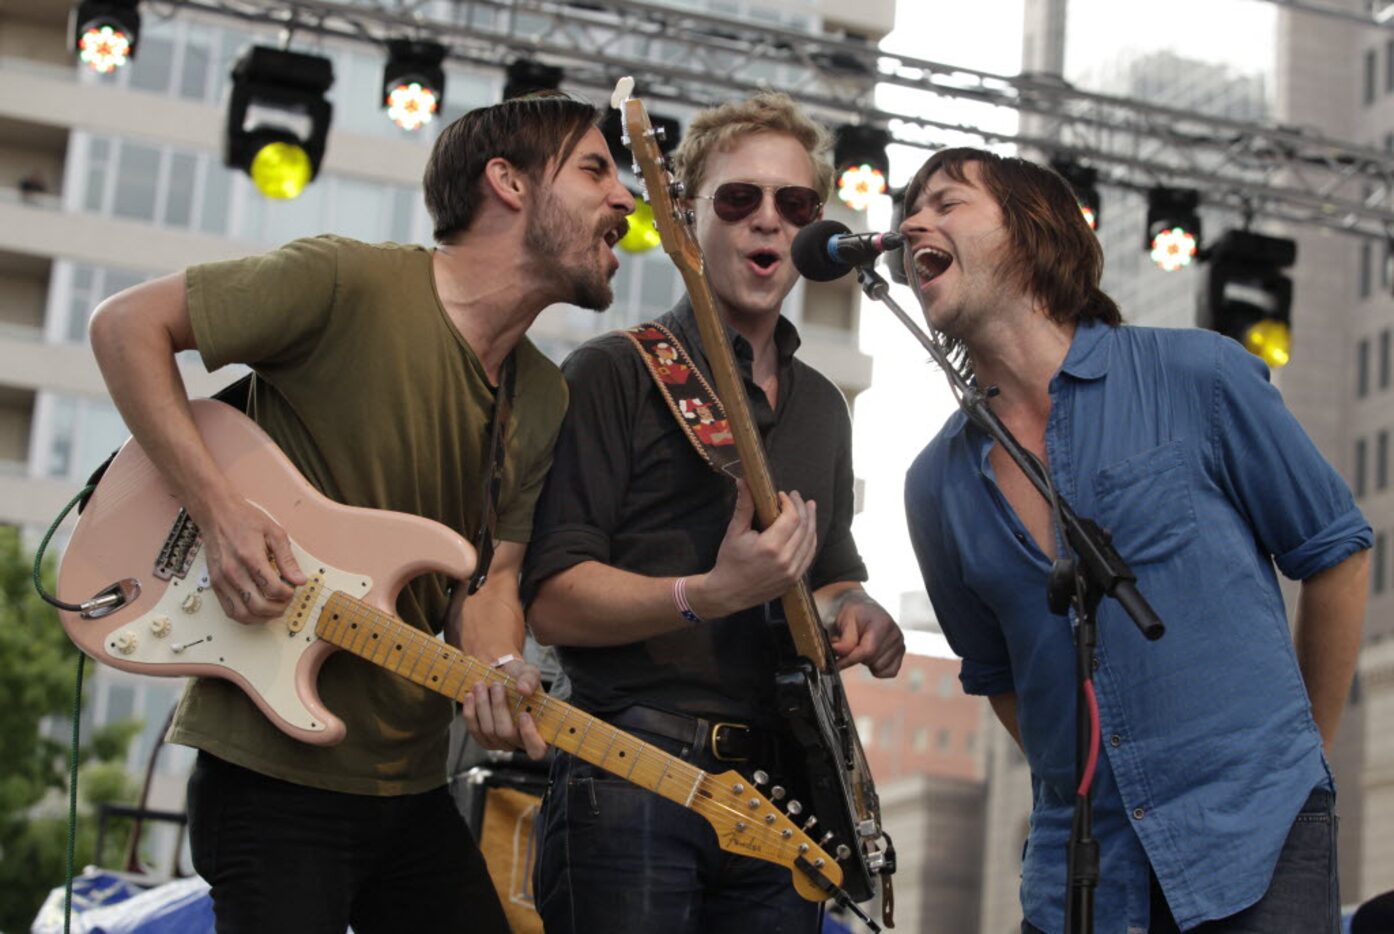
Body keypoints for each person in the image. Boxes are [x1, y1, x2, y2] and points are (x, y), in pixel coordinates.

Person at [87, 93, 635, 933]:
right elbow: (125, 328)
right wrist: (222, 513)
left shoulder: (543, 394)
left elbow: (493, 583)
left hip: (411, 783)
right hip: (269, 777)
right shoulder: (348, 282)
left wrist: (501, 670)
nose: (626, 199)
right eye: (596, 169)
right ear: (508, 183)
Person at [898, 148, 1372, 934]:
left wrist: (1304, 765)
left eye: (948, 203)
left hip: (1257, 833)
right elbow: (997, 676)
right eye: (911, 210)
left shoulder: (1199, 374)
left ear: (1033, 231)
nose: (915, 221)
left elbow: (1336, 552)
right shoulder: (933, 486)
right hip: (1077, 876)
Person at [496, 92, 905, 933]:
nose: (766, 221)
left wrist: (860, 613)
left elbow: (829, 574)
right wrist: (705, 594)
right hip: (630, 773)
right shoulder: (612, 372)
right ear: (686, 214)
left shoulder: (825, 407)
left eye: (793, 205)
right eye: (738, 198)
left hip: (781, 793)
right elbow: (551, 601)